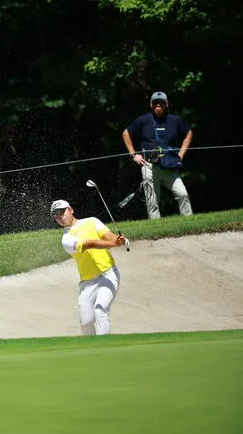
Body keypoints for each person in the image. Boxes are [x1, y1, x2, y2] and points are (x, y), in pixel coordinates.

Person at [50, 199, 128, 336]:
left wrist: (119, 240)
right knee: (86, 322)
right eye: (56, 214)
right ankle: (91, 346)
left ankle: (104, 346)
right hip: (88, 283)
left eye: (61, 211)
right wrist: (114, 244)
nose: (60, 216)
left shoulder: (92, 221)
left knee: (100, 310)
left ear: (71, 210)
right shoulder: (66, 239)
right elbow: (91, 244)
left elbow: (109, 236)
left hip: (108, 274)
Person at [122, 91, 194, 219]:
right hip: (149, 166)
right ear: (151, 104)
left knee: (182, 193)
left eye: (161, 103)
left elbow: (189, 133)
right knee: (152, 202)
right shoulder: (143, 120)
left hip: (170, 165)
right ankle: (156, 225)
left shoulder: (174, 120)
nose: (158, 105)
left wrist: (181, 153)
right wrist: (133, 155)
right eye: (155, 103)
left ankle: (190, 221)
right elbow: (126, 133)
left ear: (167, 104)